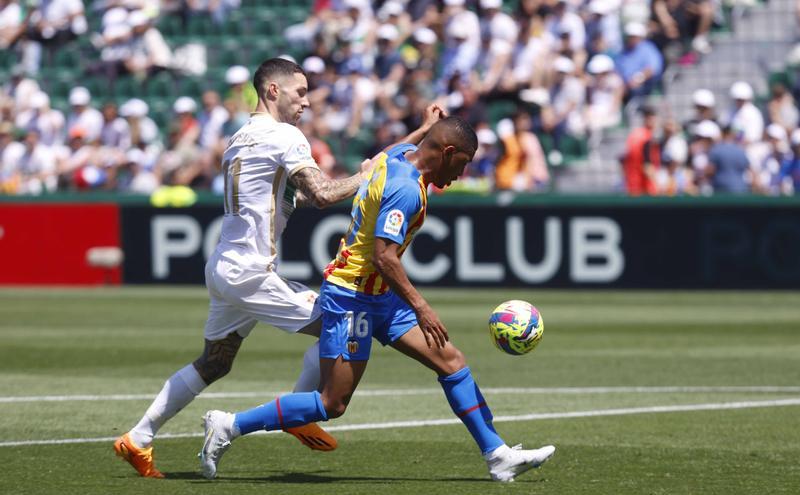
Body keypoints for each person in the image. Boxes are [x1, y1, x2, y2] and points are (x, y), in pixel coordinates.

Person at [198, 115, 555, 482]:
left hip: (379, 296)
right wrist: (422, 306)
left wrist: (423, 128)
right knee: (331, 403)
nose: (461, 174)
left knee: (451, 361)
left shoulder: (398, 156)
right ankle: (228, 425)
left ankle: (497, 455)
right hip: (353, 297)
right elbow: (384, 257)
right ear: (448, 152)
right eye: (462, 163)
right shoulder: (406, 189)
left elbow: (397, 147)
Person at [113, 58, 389, 478]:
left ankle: (138, 437)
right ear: (273, 91)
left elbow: (279, 196)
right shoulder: (285, 136)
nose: (307, 101)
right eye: (300, 91)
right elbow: (323, 194)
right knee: (345, 316)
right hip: (249, 272)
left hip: (225, 265)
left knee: (215, 362)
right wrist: (368, 176)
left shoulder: (238, 138)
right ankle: (298, 412)